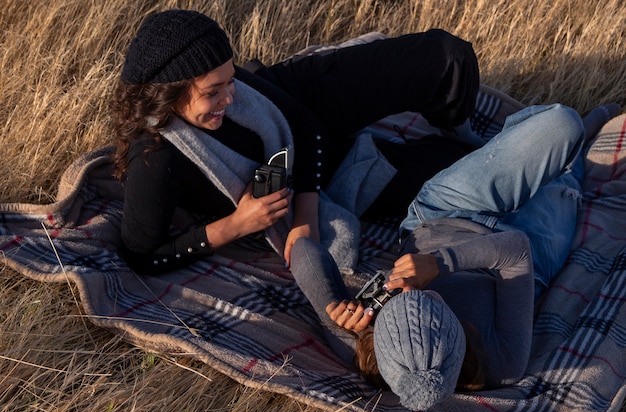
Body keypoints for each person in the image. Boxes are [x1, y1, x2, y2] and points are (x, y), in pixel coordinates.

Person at [290, 102, 622, 411]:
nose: (416, 290)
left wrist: (332, 304)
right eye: (433, 303)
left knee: (562, 125)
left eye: (401, 299)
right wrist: (440, 264)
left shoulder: (365, 347)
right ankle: (589, 128)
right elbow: (516, 251)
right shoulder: (503, 364)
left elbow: (303, 249)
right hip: (529, 248)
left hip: (445, 211)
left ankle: (510, 144)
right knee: (563, 179)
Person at [109, 9, 480, 275]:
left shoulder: (231, 88)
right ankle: (460, 147)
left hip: (297, 96)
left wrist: (305, 218)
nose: (230, 98)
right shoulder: (156, 159)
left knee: (446, 56)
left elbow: (303, 123)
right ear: (169, 96)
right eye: (213, 92)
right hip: (333, 167)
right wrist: (237, 225)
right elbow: (143, 256)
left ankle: (454, 124)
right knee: (468, 167)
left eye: (230, 79)